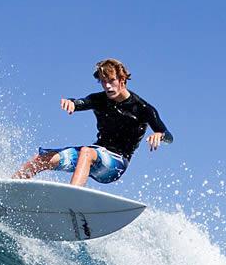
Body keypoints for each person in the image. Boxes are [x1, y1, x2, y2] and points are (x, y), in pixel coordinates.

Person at [12, 58, 172, 186]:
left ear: (122, 79)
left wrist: (159, 135)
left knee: (86, 152)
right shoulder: (100, 99)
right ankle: (10, 186)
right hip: (94, 154)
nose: (107, 86)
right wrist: (72, 103)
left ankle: (71, 199)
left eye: (111, 80)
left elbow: (168, 136)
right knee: (45, 158)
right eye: (103, 81)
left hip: (115, 163)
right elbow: (82, 102)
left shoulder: (143, 108)